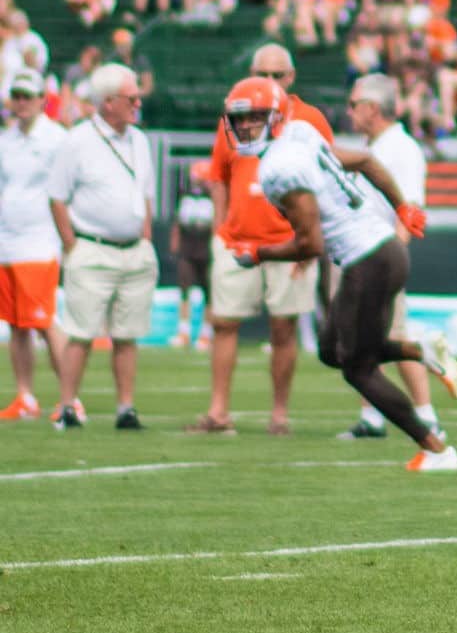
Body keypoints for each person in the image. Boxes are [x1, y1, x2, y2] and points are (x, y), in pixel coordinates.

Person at [220, 78, 457, 471]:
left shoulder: (279, 167)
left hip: (367, 259)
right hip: (379, 252)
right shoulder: (300, 135)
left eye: (255, 117)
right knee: (331, 349)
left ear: (275, 117)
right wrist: (401, 208)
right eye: (240, 119)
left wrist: (258, 253)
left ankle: (436, 449)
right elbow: (365, 162)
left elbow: (311, 244)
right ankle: (418, 350)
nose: (246, 126)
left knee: (358, 370)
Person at [191, 45, 333, 436]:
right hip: (238, 238)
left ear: (291, 77)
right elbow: (219, 176)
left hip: (289, 241)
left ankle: (279, 415)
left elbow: (327, 178)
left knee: (284, 327)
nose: (270, 82)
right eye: (262, 74)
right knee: (223, 322)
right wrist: (220, 231)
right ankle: (218, 412)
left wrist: (310, 240)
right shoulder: (235, 115)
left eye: (277, 75)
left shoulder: (309, 120)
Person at [338, 73, 457, 440]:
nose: (349, 111)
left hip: (379, 255)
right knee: (364, 339)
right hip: (361, 254)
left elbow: (409, 208)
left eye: (354, 104)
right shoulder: (375, 145)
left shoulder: (401, 148)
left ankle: (425, 414)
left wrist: (393, 259)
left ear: (373, 108)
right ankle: (372, 414)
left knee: (393, 336)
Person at [46, 64, 159, 430]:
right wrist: (72, 245)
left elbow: (146, 194)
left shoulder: (139, 140)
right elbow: (57, 197)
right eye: (132, 98)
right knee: (80, 333)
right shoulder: (77, 140)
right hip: (92, 247)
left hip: (134, 249)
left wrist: (145, 237)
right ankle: (67, 406)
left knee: (127, 335)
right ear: (108, 102)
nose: (138, 103)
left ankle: (126, 408)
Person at [0, 70, 68, 421]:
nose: (21, 102)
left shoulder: (57, 139)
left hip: (39, 242)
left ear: (43, 99)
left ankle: (69, 397)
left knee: (44, 321)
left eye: (27, 95)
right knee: (16, 324)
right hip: (7, 242)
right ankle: (25, 395)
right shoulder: (6, 139)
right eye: (16, 95)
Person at [169, 160, 215, 351]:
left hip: (206, 248)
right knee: (184, 290)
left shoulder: (214, 197)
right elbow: (178, 221)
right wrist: (175, 241)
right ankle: (184, 331)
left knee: (209, 294)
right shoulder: (184, 195)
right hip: (188, 248)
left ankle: (206, 334)